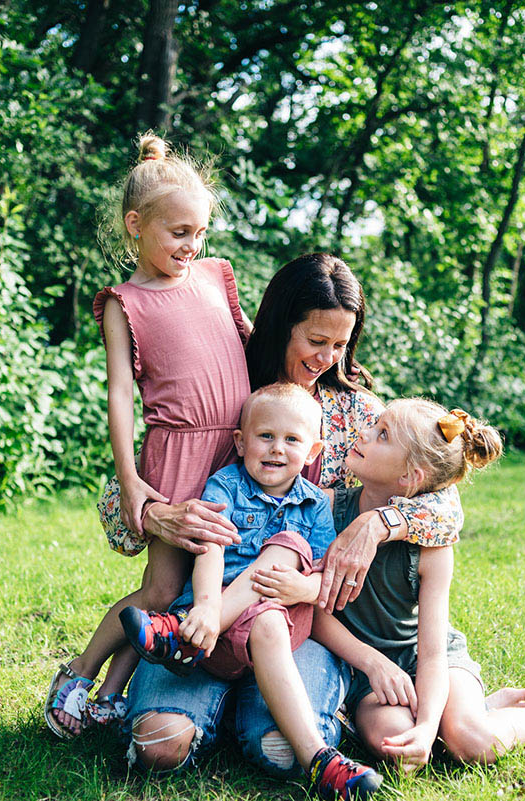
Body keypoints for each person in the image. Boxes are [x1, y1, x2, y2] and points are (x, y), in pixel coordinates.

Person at [113, 254, 469, 784]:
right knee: (158, 746)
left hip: (299, 624)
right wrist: (157, 514)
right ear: (283, 324)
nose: (327, 357)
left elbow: (445, 503)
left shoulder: (358, 413)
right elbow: (136, 485)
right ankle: (206, 699)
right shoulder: (233, 389)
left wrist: (378, 524)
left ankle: (267, 719)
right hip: (203, 604)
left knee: (280, 752)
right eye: (316, 339)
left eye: (341, 344)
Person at [254, 399, 525, 772]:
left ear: (410, 477)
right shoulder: (324, 509)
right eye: (375, 425)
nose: (364, 432)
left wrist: (428, 727)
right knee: (396, 745)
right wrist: (373, 664)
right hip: (364, 670)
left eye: (382, 435)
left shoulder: (432, 547)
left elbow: (431, 654)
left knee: (470, 743)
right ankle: (476, 708)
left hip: (429, 661)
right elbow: (316, 609)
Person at [43, 133, 250, 739]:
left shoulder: (216, 277)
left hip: (233, 450)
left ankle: (113, 694)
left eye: (201, 232)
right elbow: (118, 396)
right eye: (178, 232)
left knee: (198, 586)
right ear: (136, 225)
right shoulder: (124, 302)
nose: (192, 245)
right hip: (177, 451)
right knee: (162, 586)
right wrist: (131, 480)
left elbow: (252, 346)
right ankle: (79, 673)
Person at [121, 383, 382, 798]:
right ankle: (199, 646)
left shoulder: (315, 505)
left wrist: (302, 585)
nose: (277, 449)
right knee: (157, 749)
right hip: (212, 631)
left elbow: (324, 580)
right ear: (241, 443)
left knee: (286, 555)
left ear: (312, 452)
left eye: (292, 440)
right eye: (266, 436)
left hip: (273, 628)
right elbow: (211, 550)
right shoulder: (224, 486)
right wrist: (207, 606)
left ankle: (317, 759)